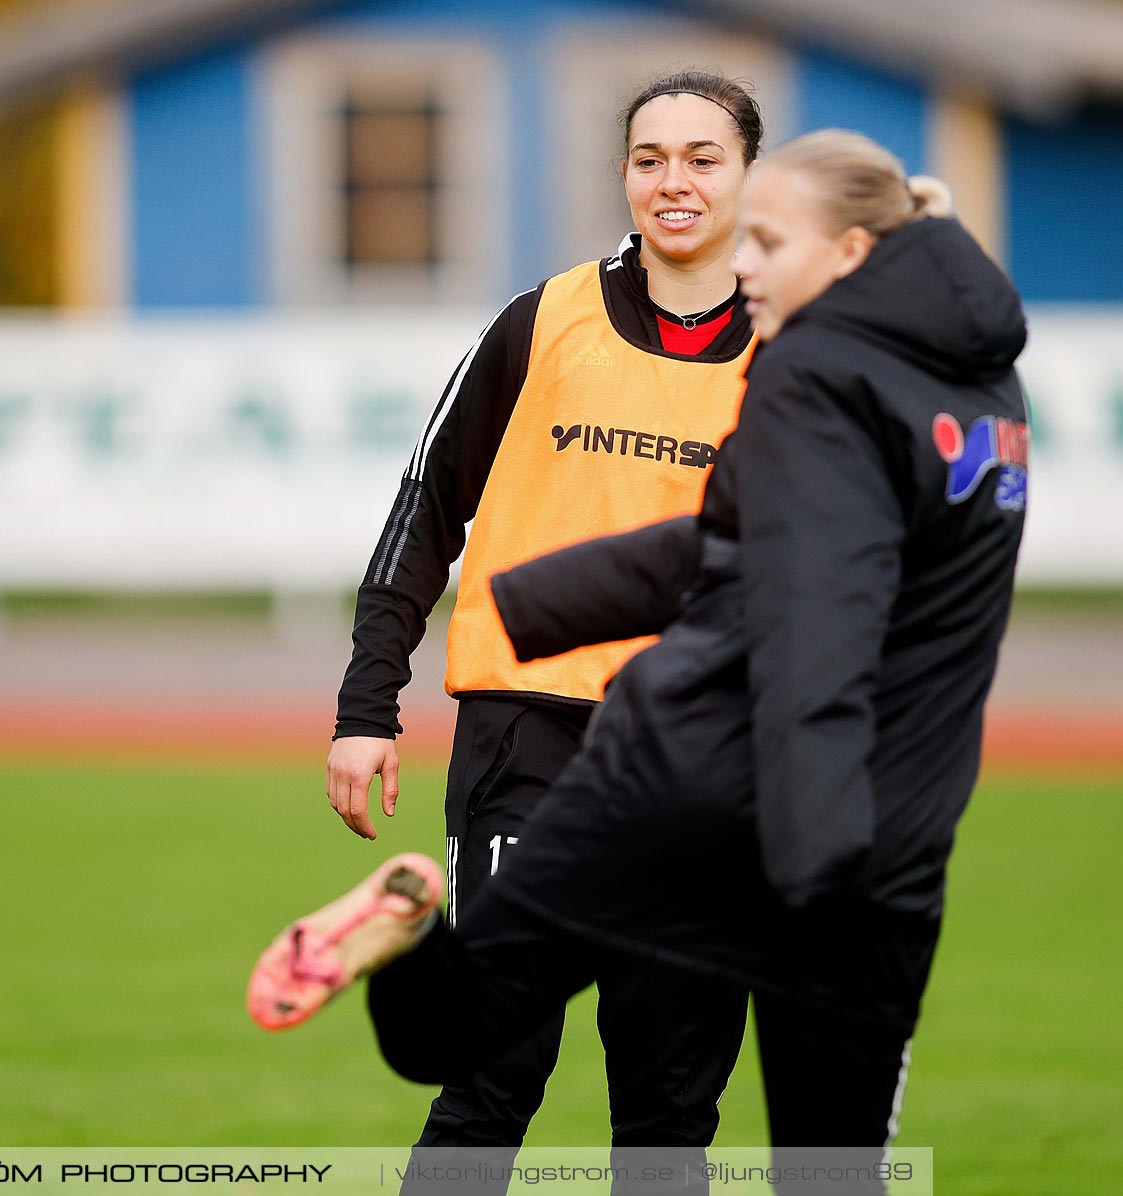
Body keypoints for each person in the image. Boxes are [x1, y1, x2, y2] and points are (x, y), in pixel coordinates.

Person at [257, 129, 1028, 1192]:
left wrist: (808, 862)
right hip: (828, 827)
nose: (742, 259)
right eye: (649, 157)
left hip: (747, 806)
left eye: (763, 232)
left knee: (598, 1084)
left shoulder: (813, 374)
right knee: (528, 1078)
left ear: (849, 253)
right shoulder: (980, 389)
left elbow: (816, 635)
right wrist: (539, 605)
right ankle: (410, 936)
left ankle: (406, 939)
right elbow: (745, 545)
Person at [321, 69, 763, 1173]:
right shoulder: (541, 322)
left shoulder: (797, 355)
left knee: (668, 1113)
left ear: (750, 176)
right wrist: (367, 701)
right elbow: (424, 510)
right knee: (490, 1075)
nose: (675, 181)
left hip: (706, 762)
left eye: (704, 158)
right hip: (533, 739)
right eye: (650, 157)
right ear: (622, 174)